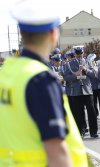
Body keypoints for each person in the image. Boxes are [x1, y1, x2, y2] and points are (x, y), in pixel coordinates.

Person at [0, 0, 91, 166]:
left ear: (22, 32)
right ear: (53, 34)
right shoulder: (40, 79)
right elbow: (56, 150)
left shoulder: (6, 72)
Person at [63, 47, 98, 137]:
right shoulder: (69, 64)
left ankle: (93, 132)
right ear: (74, 54)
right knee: (78, 113)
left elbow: (95, 75)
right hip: (76, 91)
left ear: (83, 53)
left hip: (87, 90)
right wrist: (76, 74)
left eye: (81, 53)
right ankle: (81, 131)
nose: (79, 55)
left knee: (92, 112)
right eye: (77, 54)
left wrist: (86, 70)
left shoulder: (88, 62)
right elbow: (66, 77)